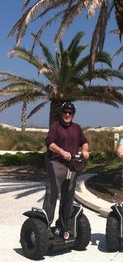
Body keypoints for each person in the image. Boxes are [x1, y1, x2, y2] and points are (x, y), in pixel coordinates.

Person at [43, 101, 89, 239]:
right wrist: (62, 152)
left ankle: (63, 224)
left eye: (70, 113)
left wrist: (85, 150)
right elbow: (49, 143)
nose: (67, 115)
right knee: (52, 194)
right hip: (57, 164)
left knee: (69, 196)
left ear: (73, 114)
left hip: (72, 165)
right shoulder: (55, 126)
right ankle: (46, 226)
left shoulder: (77, 128)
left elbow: (84, 142)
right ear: (61, 113)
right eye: (65, 112)